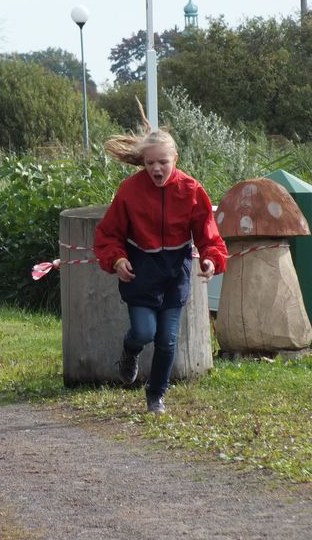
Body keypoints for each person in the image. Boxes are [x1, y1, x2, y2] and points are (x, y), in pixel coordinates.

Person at [93, 109, 227, 415]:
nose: (156, 168)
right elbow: (108, 234)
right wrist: (117, 260)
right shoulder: (129, 191)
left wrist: (210, 260)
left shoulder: (192, 190)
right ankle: (130, 352)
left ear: (175, 159)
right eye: (150, 163)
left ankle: (156, 397)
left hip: (174, 273)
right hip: (141, 271)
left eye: (162, 162)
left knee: (167, 340)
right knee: (143, 332)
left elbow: (208, 233)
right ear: (143, 163)